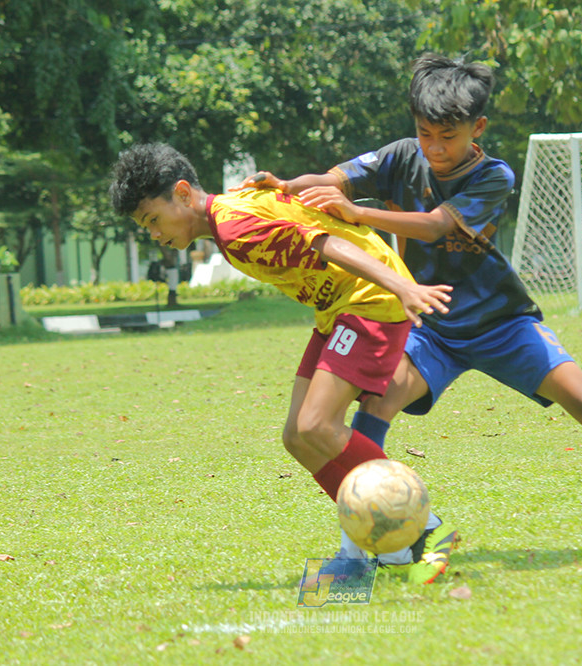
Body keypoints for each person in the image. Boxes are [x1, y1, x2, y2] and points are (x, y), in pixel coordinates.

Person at [235, 53, 582, 572]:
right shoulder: (400, 157)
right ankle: (363, 546)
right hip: (428, 327)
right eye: (424, 133)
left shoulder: (495, 175)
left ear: (477, 128)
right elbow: (335, 179)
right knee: (372, 408)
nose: (434, 147)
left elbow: (437, 225)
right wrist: (288, 187)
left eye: (448, 136)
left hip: (501, 324)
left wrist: (358, 213)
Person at [108, 142, 456, 582]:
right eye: (146, 228)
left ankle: (425, 529)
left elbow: (325, 243)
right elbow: (303, 215)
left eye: (153, 220)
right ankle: (383, 539)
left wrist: (400, 285)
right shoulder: (232, 209)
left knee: (316, 425)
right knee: (296, 435)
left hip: (369, 297)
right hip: (335, 308)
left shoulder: (234, 227)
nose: (155, 235)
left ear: (182, 193)